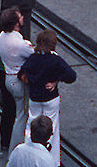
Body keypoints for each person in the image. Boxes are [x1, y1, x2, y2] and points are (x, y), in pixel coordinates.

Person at [19, 30, 76, 164]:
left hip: (35, 98)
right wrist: (56, 81)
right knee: (52, 129)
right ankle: (52, 161)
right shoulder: (55, 60)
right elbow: (71, 76)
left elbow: (22, 73)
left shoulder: (33, 59)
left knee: (30, 127)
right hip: (51, 99)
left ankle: (28, 158)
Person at [0, 8, 32, 151]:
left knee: (16, 113)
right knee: (21, 116)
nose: (23, 17)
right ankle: (16, 148)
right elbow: (35, 54)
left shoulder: (2, 36)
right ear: (16, 23)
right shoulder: (21, 44)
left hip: (7, 77)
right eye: (20, 16)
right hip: (18, 82)